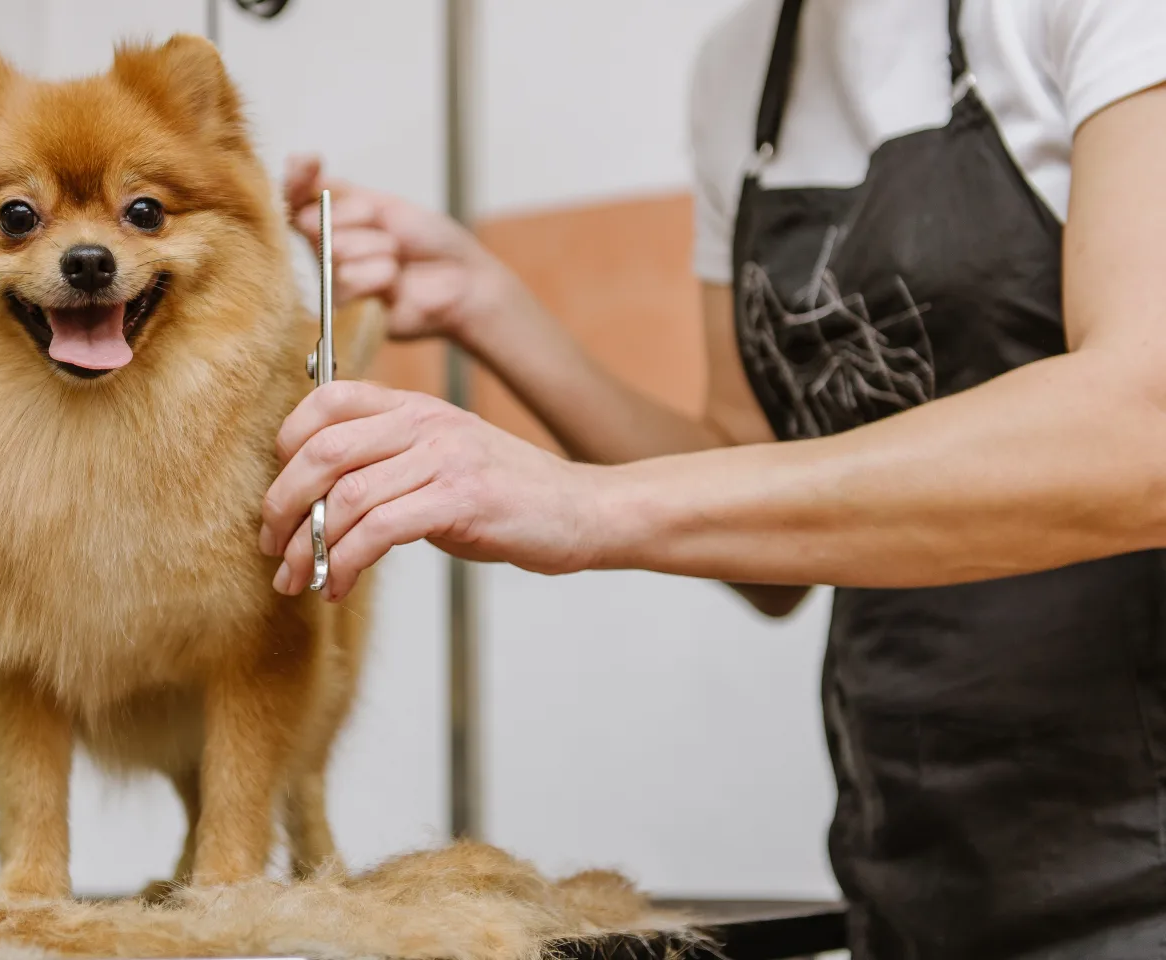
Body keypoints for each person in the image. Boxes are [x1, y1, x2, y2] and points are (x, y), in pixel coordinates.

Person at [260, 0, 1166, 956]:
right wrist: (486, 304)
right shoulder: (741, 73)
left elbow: (1140, 431)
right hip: (912, 852)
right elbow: (759, 523)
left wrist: (584, 506)